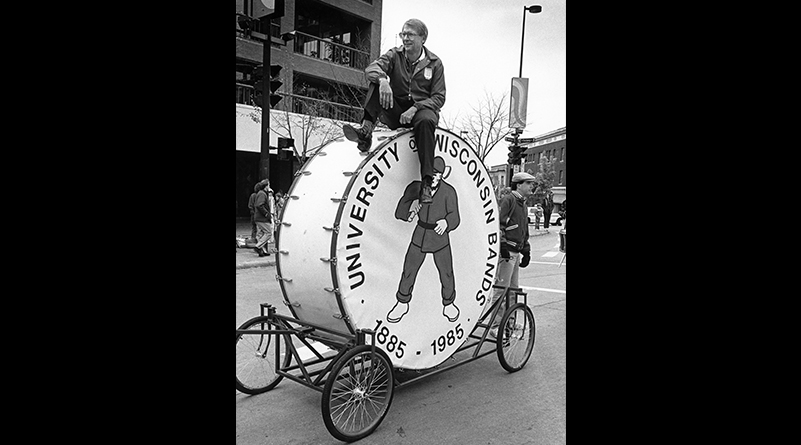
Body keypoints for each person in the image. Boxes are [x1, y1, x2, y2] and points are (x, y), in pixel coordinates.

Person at [342, 18, 446, 204]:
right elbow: (371, 69)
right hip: (396, 109)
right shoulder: (394, 55)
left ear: (423, 38)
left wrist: (416, 108)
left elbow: (439, 98)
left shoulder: (435, 63)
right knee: (376, 83)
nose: (405, 38)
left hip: (421, 111)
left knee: (426, 121)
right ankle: (365, 132)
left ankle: (427, 184)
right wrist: (383, 80)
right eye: (403, 34)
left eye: (410, 34)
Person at [387, 157, 461, 324]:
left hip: (440, 236)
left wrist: (447, 222)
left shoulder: (449, 192)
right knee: (409, 270)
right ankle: (402, 302)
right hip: (420, 234)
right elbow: (402, 206)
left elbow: (455, 216)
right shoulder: (417, 187)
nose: (433, 177)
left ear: (442, 175)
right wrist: (407, 213)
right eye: (431, 173)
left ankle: (449, 303)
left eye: (437, 174)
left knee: (446, 272)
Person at [487, 172, 536, 338]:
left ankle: (509, 322)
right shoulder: (509, 200)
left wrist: (526, 249)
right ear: (519, 185)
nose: (531, 186)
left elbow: (524, 229)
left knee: (513, 290)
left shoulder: (523, 203)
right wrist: (502, 245)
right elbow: (498, 223)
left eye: (531, 184)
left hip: (516, 251)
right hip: (507, 252)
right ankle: (496, 325)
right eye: (528, 183)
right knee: (502, 290)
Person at [253, 179, 275, 257]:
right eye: (268, 185)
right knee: (268, 232)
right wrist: (266, 214)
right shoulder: (262, 194)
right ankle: (258, 246)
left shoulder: (261, 193)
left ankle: (263, 251)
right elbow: (259, 205)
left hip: (259, 217)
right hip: (261, 218)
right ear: (265, 186)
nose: (269, 187)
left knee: (262, 233)